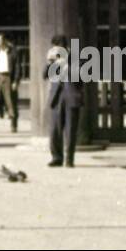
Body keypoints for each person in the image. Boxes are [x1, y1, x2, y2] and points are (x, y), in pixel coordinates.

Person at [46, 34, 82, 167]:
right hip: (56, 96)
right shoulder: (53, 59)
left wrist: (66, 65)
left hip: (71, 96)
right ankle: (56, 157)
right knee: (55, 129)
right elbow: (45, 74)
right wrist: (52, 63)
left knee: (71, 129)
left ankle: (69, 159)